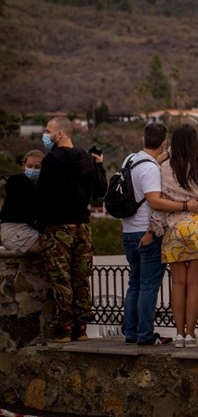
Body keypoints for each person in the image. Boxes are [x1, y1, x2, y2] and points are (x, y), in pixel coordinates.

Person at [36, 116, 107, 343]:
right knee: (80, 278)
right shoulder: (86, 159)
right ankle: (81, 327)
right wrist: (99, 165)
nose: (46, 135)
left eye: (48, 131)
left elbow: (43, 195)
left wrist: (40, 227)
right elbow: (99, 189)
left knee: (61, 277)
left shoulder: (51, 160)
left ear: (60, 133)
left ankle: (63, 328)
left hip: (57, 226)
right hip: (82, 226)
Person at [150, 123, 198, 347]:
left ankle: (179, 334)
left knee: (178, 283)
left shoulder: (164, 168)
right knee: (195, 283)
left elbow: (158, 202)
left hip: (174, 229)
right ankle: (191, 334)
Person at [121, 122, 191, 347]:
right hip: (147, 233)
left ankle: (131, 332)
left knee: (135, 284)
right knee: (149, 286)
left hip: (129, 231)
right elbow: (154, 201)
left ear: (143, 140)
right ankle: (145, 334)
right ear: (164, 143)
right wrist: (185, 206)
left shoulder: (130, 159)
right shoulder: (151, 168)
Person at [1, 150, 44, 254]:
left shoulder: (28, 184)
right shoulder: (22, 185)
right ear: (23, 165)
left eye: (37, 167)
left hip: (20, 231)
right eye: (30, 166)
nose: (33, 169)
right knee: (55, 248)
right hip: (16, 232)